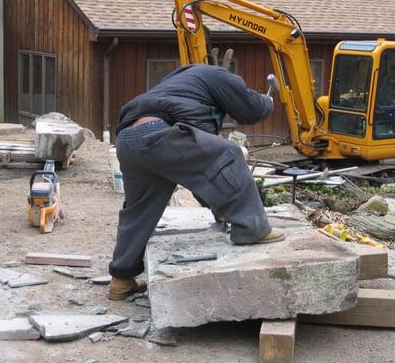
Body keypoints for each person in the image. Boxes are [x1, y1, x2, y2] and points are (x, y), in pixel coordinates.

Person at [107, 63, 285, 300]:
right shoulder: (218, 75)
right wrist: (269, 102)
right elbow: (250, 108)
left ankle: (121, 279)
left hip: (129, 138)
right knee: (230, 153)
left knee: (140, 207)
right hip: (158, 131)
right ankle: (253, 228)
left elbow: (200, 174)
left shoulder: (179, 85)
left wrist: (218, 211)